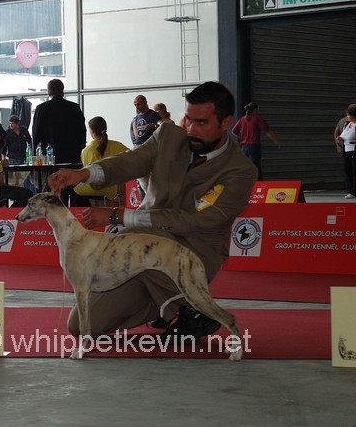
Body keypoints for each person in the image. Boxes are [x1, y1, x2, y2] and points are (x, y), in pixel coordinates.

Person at [47, 81, 257, 343]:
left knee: (131, 237)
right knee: (81, 326)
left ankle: (188, 305)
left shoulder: (240, 171)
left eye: (201, 123)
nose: (190, 129)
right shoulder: (169, 135)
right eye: (187, 119)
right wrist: (84, 173)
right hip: (140, 246)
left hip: (195, 251)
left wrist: (119, 216)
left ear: (226, 123)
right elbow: (131, 161)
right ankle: (178, 306)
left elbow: (196, 220)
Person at [73, 116, 129, 206]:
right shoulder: (117, 145)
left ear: (91, 131)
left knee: (72, 187)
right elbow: (131, 157)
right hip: (110, 190)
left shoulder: (85, 151)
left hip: (89, 190)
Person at [32, 78, 86, 164]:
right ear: (62, 91)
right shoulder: (74, 108)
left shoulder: (41, 109)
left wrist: (35, 156)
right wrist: (80, 153)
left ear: (49, 92)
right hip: (71, 156)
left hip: (50, 158)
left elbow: (36, 134)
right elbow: (81, 133)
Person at [231, 101, 281, 180]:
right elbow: (267, 132)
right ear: (255, 110)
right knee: (256, 167)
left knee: (246, 168)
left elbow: (234, 131)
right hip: (254, 147)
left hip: (244, 148)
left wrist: (243, 137)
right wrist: (276, 141)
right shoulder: (258, 119)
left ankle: (248, 186)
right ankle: (259, 186)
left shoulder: (242, 119)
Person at [4, 115, 32, 186]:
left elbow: (30, 141)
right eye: (9, 123)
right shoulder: (7, 133)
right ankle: (17, 191)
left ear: (17, 124)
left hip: (24, 156)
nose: (10, 125)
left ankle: (27, 191)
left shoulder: (24, 130)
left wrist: (31, 153)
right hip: (13, 157)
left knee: (26, 176)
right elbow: (4, 146)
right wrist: (3, 157)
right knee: (15, 178)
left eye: (12, 123)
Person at [337, 104, 356, 199]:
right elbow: (343, 134)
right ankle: (350, 190)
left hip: (354, 150)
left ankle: (354, 190)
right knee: (348, 170)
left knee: (354, 171)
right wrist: (340, 139)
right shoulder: (347, 124)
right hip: (347, 150)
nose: (347, 116)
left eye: (349, 115)